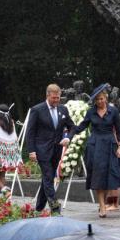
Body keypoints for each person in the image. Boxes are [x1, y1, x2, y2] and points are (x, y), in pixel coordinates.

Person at [70, 84, 120, 218]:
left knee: (110, 175)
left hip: (110, 144)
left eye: (102, 99)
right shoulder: (91, 112)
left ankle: (106, 202)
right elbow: (82, 126)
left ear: (106, 98)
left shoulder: (113, 111)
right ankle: (102, 205)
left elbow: (119, 130)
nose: (100, 101)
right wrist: (70, 130)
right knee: (98, 175)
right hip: (95, 145)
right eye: (97, 100)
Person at [26, 84, 76, 213]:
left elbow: (72, 127)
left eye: (58, 98)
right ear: (47, 95)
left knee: (47, 178)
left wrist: (68, 138)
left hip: (57, 150)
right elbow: (30, 132)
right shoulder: (37, 110)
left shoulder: (63, 109)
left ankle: (39, 207)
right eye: (54, 98)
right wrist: (31, 151)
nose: (56, 100)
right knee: (48, 176)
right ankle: (54, 207)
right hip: (42, 150)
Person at [0, 104, 23, 200]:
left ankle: (5, 191)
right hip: (6, 156)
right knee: (1, 175)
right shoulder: (11, 123)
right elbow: (13, 140)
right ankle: (4, 198)